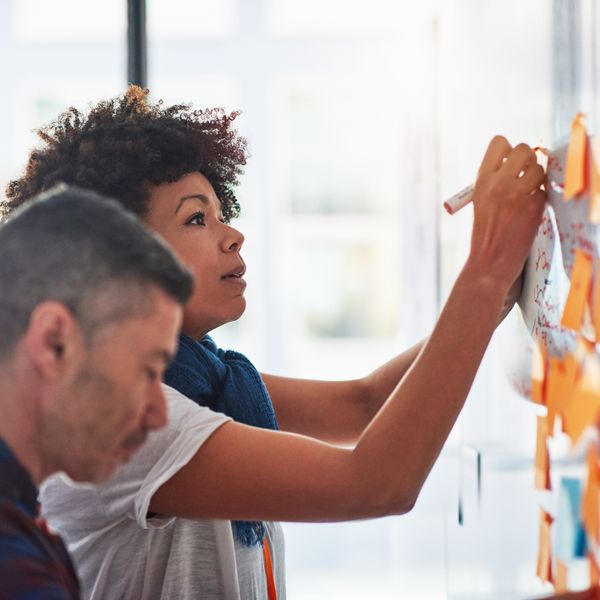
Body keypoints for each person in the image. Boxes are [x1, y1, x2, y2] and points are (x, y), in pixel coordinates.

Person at [4, 86, 546, 600]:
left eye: (222, 213)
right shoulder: (132, 419)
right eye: (196, 218)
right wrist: (483, 269)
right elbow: (377, 483)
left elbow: (362, 404)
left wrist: (494, 295)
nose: (232, 234)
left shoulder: (213, 383)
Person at [0, 184, 193, 599]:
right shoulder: (13, 568)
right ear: (55, 343)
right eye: (147, 371)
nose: (159, 413)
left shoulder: (24, 523)